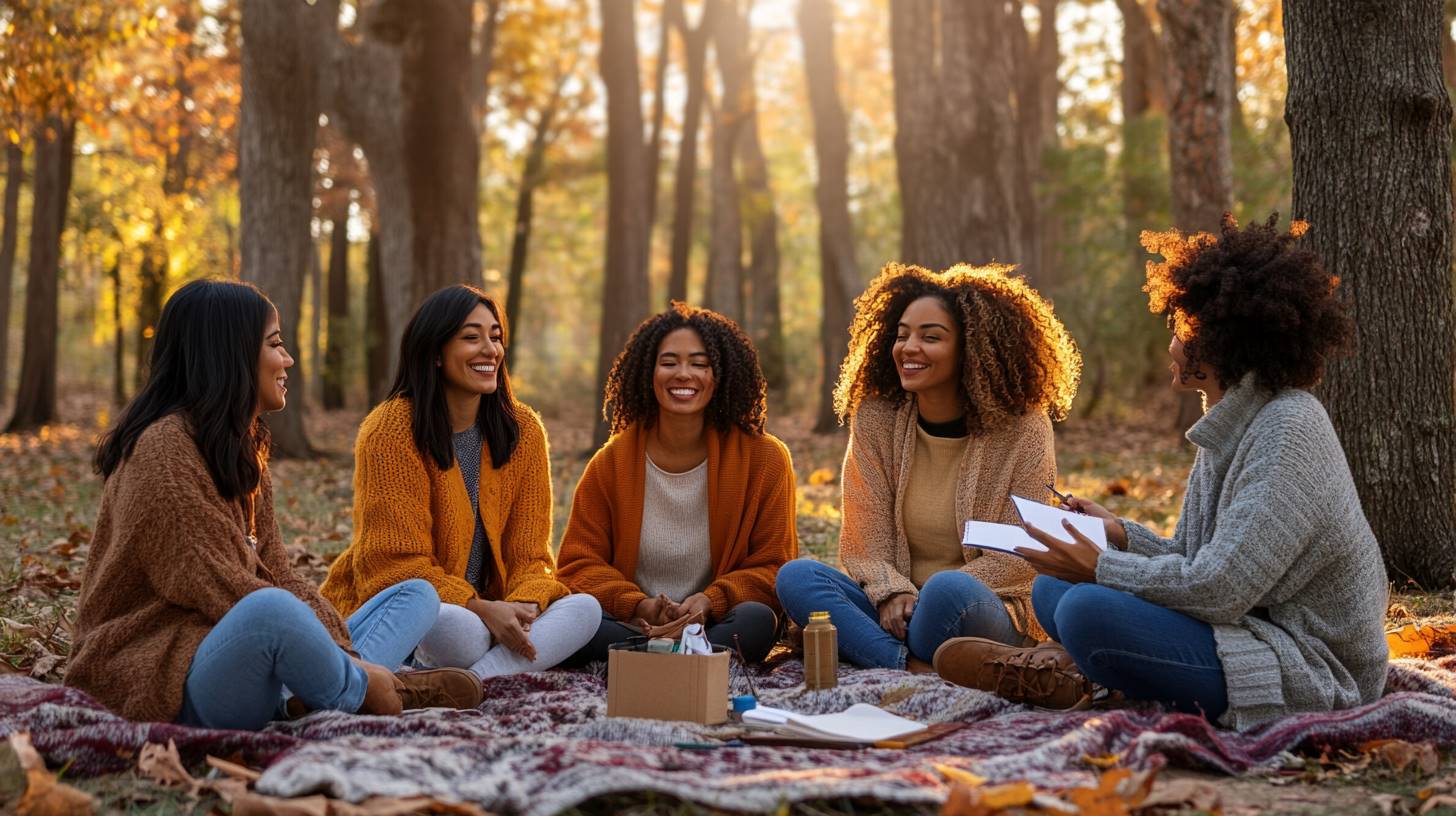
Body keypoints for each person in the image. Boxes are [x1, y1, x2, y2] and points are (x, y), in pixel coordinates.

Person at [934, 216, 1390, 727]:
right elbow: (1195, 559)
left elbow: (1219, 589)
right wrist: (1119, 534)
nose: (1171, 341)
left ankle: (1075, 672)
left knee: (1085, 611)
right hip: (1245, 625)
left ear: (1218, 343)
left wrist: (1101, 567)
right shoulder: (1233, 422)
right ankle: (1073, 672)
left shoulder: (1288, 429)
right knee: (1051, 589)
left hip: (1304, 664)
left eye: (1180, 328)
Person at [67, 280, 479, 731]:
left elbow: (277, 570)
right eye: (275, 344)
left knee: (415, 594)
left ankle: (317, 693)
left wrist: (342, 650)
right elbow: (216, 586)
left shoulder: (239, 446)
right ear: (230, 352)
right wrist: (345, 659)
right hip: (165, 673)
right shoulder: (163, 451)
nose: (288, 359)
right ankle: (368, 691)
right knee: (271, 611)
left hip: (240, 649)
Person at [776, 263, 1081, 671]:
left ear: (971, 349)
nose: (909, 347)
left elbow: (1018, 555)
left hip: (978, 605)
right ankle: (914, 667)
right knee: (798, 577)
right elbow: (864, 539)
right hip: (895, 609)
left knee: (947, 589)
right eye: (902, 335)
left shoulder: (1023, 429)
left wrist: (923, 599)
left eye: (930, 337)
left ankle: (880, 651)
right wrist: (891, 592)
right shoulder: (876, 418)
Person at [321, 285, 599, 679]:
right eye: (471, 337)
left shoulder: (523, 431)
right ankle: (486, 669)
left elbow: (531, 558)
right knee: (459, 630)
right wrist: (481, 609)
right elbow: (397, 570)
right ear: (435, 352)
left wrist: (524, 606)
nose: (490, 350)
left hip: (494, 613)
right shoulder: (391, 430)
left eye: (495, 337)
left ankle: (473, 680)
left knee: (586, 609)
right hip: (424, 613)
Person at [557, 303, 797, 664]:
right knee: (576, 618)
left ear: (721, 374)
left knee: (756, 619)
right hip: (634, 626)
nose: (683, 374)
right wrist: (639, 604)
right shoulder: (610, 464)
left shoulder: (765, 459)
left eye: (700, 364)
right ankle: (683, 660)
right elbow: (578, 565)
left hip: (717, 624)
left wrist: (711, 601)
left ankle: (649, 661)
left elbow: (774, 566)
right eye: (669, 363)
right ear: (648, 373)